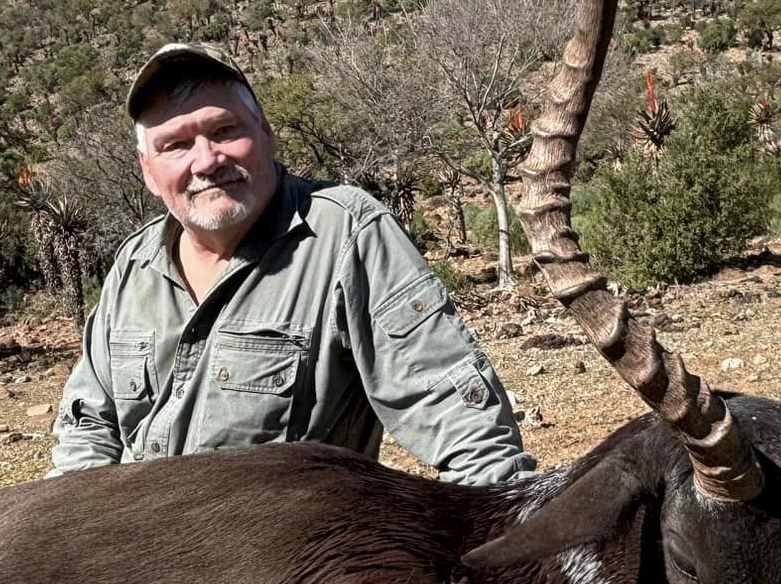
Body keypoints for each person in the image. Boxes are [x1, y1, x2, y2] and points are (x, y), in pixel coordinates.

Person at [50, 42, 533, 484]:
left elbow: (467, 428)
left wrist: (500, 543)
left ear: (265, 133)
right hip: (136, 552)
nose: (206, 160)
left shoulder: (347, 233)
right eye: (175, 144)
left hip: (286, 567)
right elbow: (89, 426)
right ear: (148, 172)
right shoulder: (133, 263)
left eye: (224, 130)